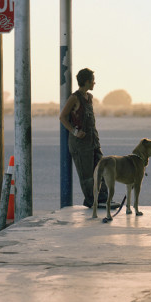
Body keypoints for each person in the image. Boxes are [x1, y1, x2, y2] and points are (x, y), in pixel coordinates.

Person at [59, 68, 109, 208]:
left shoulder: (90, 98)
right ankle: (91, 201)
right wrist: (75, 132)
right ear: (87, 82)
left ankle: (103, 199)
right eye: (93, 80)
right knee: (87, 175)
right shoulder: (75, 98)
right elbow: (62, 117)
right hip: (80, 145)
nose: (94, 83)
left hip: (93, 142)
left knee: (101, 170)